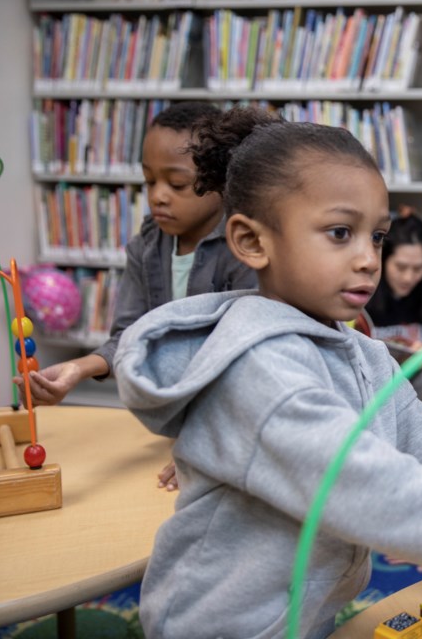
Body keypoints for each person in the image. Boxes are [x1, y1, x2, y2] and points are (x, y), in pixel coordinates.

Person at [112, 107, 422, 639]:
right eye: (339, 233)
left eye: (375, 237)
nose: (366, 259)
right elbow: (372, 489)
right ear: (252, 242)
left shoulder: (364, 355)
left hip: (304, 617)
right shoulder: (258, 371)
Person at [14, 102, 257, 490]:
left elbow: (247, 365)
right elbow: (130, 333)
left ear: (220, 182)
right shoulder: (146, 248)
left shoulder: (244, 250)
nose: (157, 196)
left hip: (235, 429)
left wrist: (211, 450)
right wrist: (77, 369)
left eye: (176, 184)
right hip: (179, 426)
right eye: (148, 181)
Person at [365, 211, 422, 424]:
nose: (408, 277)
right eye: (401, 267)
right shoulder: (365, 293)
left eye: (418, 269)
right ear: (384, 259)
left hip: (418, 386)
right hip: (374, 387)